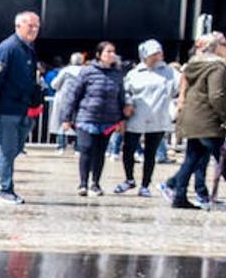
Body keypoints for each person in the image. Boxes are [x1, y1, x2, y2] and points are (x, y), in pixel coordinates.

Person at [163, 32, 226, 209]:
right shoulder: (216, 68)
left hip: (192, 119)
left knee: (192, 158)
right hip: (208, 121)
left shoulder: (193, 66)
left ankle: (178, 194)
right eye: (224, 45)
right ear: (216, 48)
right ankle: (174, 189)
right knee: (223, 160)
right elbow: (217, 95)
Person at [0, 11, 41, 205]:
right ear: (18, 26)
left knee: (16, 148)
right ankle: (6, 189)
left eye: (37, 26)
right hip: (8, 108)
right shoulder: (8, 48)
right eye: (30, 25)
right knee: (8, 149)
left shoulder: (28, 49)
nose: (34, 30)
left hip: (23, 107)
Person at [60, 41, 130, 197]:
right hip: (86, 117)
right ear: (99, 54)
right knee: (86, 148)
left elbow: (121, 97)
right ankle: (83, 183)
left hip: (108, 119)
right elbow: (74, 94)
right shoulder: (87, 71)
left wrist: (122, 119)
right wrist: (66, 117)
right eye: (108, 52)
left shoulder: (117, 74)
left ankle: (95, 183)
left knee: (100, 152)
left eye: (113, 52)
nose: (112, 55)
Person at [117, 39, 177, 197]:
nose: (159, 55)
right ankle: (129, 178)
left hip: (158, 116)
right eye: (155, 53)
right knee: (128, 148)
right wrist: (128, 104)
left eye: (160, 52)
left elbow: (180, 86)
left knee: (151, 152)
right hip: (136, 116)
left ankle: (145, 184)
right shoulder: (134, 73)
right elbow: (126, 91)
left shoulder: (170, 72)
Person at [50, 52, 85, 154]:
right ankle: (78, 148)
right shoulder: (85, 71)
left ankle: (61, 146)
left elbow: (55, 85)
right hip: (79, 100)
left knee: (62, 122)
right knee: (79, 124)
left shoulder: (65, 71)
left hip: (64, 99)